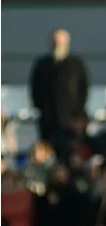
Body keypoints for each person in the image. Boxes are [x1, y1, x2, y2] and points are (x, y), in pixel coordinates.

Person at [29, 28, 89, 157]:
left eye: (61, 43)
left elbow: (83, 89)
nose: (58, 46)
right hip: (48, 118)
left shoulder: (76, 64)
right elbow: (35, 89)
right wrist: (41, 108)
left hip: (70, 119)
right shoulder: (42, 64)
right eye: (55, 42)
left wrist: (78, 114)